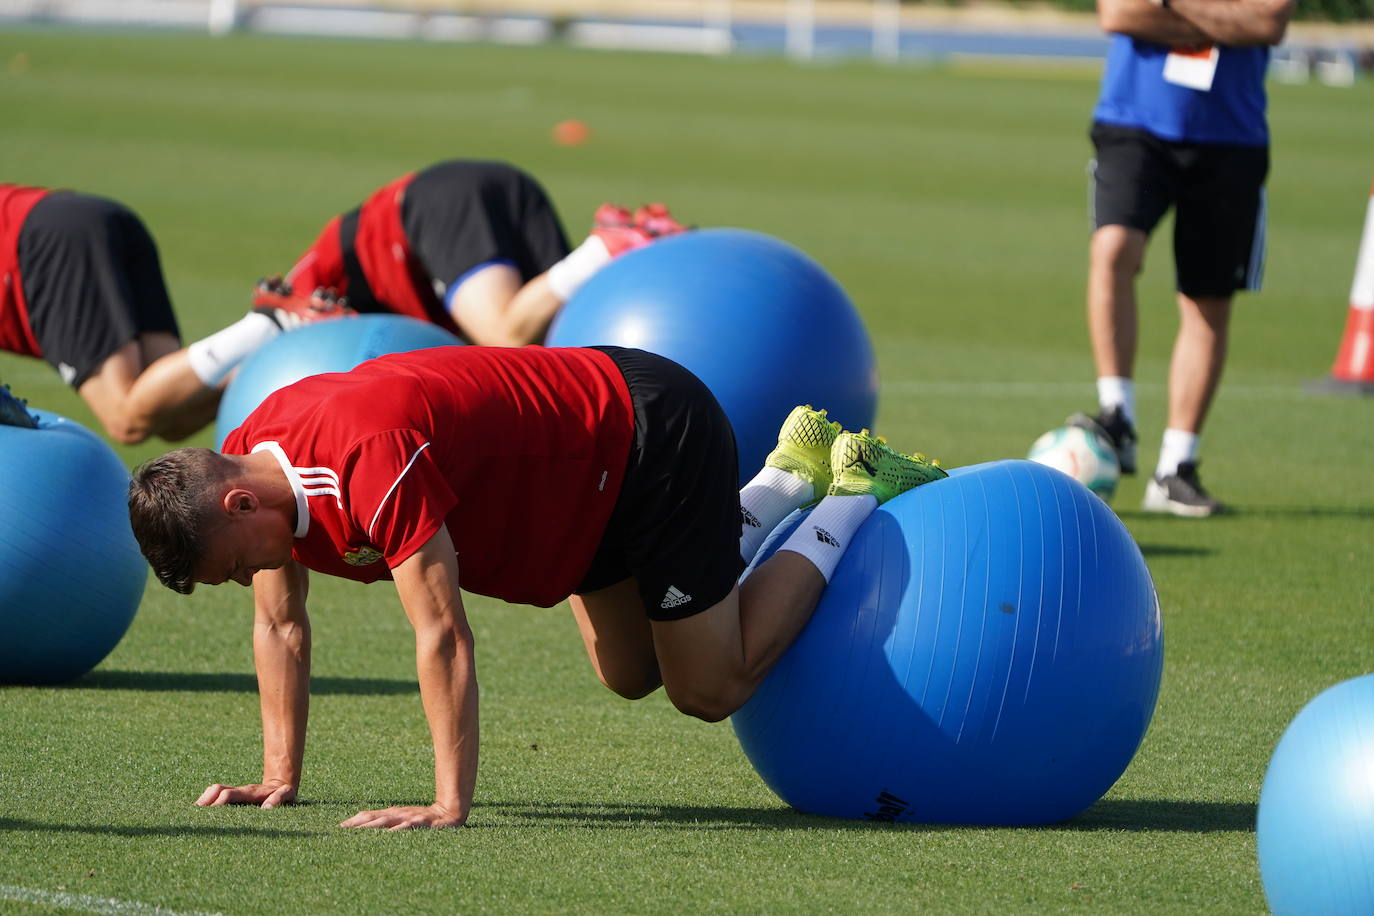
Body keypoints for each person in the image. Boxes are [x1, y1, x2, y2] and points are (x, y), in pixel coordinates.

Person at [127, 345, 947, 830]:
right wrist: (279, 777)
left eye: (235, 563)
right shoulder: (248, 450)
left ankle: (851, 487)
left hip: (647, 438)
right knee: (630, 673)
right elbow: (279, 630)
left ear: (239, 500)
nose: (248, 578)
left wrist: (449, 804)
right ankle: (782, 477)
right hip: (574, 484)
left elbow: (442, 632)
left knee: (707, 686)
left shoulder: (366, 460)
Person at [1074, 0, 1295, 517]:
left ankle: (1176, 467)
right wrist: (1227, 18)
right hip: (1134, 122)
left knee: (1207, 300)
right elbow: (1119, 13)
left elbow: (1269, 22)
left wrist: (1172, 7)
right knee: (1113, 248)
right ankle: (1118, 416)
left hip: (1231, 136)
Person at [0, 183, 349, 444]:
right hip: (77, 218)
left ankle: (273, 324)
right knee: (170, 418)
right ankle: (282, 358)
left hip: (45, 240)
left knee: (124, 418)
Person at [268, 159, 686, 348]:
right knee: (551, 353)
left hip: (435, 205)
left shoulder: (287, 320)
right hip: (481, 191)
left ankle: (606, 249)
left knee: (507, 336)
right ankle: (619, 252)